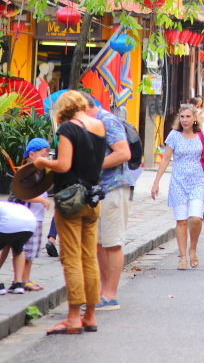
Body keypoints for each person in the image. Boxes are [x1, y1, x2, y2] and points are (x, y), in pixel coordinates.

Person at [33, 91, 107, 335]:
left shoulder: (66, 130)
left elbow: (63, 165)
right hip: (93, 199)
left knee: (72, 258)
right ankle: (91, 315)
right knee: (89, 258)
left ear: (63, 108)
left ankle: (74, 317)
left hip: (70, 200)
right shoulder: (98, 126)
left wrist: (43, 162)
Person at [151, 104, 204, 271]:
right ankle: (182, 256)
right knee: (181, 221)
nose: (185, 120)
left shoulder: (202, 135)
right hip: (178, 182)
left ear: (194, 118)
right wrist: (156, 182)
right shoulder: (174, 135)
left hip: (198, 180)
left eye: (188, 116)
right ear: (179, 119)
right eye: (182, 117)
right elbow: (166, 159)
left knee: (195, 218)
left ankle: (193, 248)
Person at [80, 94, 131, 312]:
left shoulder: (107, 121)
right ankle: (102, 292)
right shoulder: (87, 125)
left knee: (112, 241)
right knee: (99, 242)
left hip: (113, 187)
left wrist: (94, 165)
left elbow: (123, 153)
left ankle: (111, 295)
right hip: (98, 190)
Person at [0, 138, 52, 293]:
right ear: (32, 154)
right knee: (25, 250)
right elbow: (21, 194)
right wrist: (41, 199)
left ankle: (22, 279)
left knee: (22, 250)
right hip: (25, 219)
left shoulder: (41, 172)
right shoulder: (26, 173)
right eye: (44, 155)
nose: (47, 158)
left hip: (34, 217)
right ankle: (23, 279)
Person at [0, 202, 40, 297]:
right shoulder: (5, 204)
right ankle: (18, 283)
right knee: (18, 248)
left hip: (10, 223)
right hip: (30, 224)